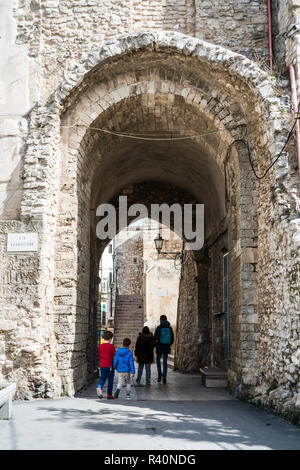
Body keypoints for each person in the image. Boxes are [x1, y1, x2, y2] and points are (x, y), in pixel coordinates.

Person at [154, 314, 174, 384]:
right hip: (166, 347)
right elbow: (172, 338)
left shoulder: (159, 327)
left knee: (158, 360)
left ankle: (159, 372)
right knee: (165, 362)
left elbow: (155, 337)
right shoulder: (170, 327)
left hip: (159, 347)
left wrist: (156, 345)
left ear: (161, 320)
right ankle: (164, 377)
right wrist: (168, 344)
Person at [96, 330, 115, 399]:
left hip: (102, 365)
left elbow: (99, 354)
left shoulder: (100, 346)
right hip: (109, 365)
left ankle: (99, 387)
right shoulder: (111, 346)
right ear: (110, 339)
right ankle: (109, 394)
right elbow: (114, 356)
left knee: (102, 378)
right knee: (110, 379)